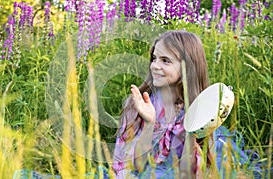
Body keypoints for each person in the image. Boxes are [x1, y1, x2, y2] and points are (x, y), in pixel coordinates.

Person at [111, 30, 264, 178]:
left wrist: (192, 135)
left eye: (165, 60)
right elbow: (135, 166)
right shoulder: (138, 103)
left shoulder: (197, 109)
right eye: (154, 58)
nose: (154, 66)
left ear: (187, 67)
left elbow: (190, 171)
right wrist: (150, 124)